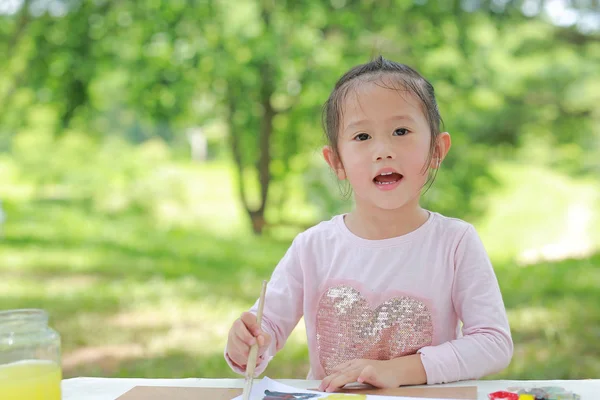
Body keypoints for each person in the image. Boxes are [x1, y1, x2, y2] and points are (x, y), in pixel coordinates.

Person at [224, 56, 513, 392]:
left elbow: (493, 343)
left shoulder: (455, 242)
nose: (383, 150)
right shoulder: (312, 247)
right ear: (336, 161)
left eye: (401, 131)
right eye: (362, 136)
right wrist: (246, 344)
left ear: (436, 150)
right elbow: (267, 327)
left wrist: (401, 370)